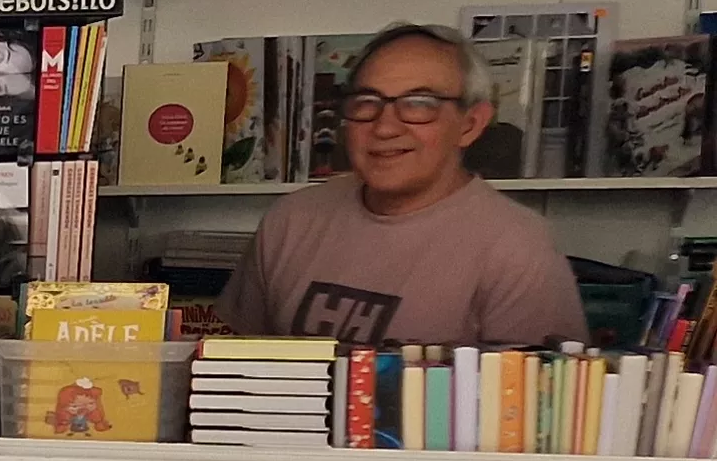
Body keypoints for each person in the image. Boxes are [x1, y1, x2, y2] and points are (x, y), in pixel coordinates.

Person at [220, 24, 591, 345]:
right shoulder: (291, 220)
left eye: (419, 103)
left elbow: (533, 412)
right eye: (368, 101)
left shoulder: (518, 248)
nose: (384, 127)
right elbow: (236, 371)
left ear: (471, 124)